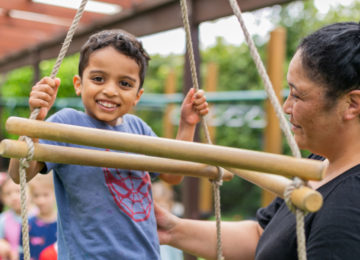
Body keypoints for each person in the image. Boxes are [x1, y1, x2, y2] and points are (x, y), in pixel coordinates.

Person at [155, 21, 360, 260]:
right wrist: (170, 229)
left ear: (352, 104)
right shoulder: (321, 162)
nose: (286, 107)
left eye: (297, 94)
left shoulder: (350, 206)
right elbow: (261, 235)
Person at [8, 29, 209, 259]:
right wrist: (36, 121)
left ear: (137, 95)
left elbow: (173, 174)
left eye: (124, 83)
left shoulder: (137, 129)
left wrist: (187, 124)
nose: (110, 90)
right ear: (78, 84)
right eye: (98, 79)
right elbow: (18, 172)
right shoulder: (67, 124)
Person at [19, 173, 57, 260]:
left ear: (55, 194)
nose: (41, 200)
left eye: (45, 195)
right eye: (36, 195)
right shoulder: (28, 224)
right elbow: (22, 252)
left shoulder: (62, 224)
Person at [0, 175, 21, 260]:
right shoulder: (3, 219)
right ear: (2, 198)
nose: (14, 197)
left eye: (18, 191)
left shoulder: (37, 216)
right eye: (8, 194)